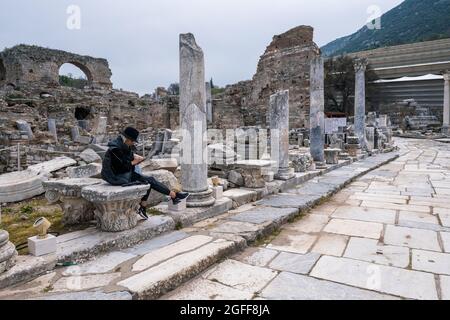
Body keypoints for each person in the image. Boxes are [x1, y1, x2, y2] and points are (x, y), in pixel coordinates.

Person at [101, 127, 189, 220]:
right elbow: (121, 168)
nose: (134, 143)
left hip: (123, 174)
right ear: (127, 139)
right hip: (114, 177)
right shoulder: (115, 148)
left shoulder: (124, 145)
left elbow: (125, 160)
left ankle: (145, 206)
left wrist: (135, 158)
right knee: (148, 181)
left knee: (150, 180)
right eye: (133, 141)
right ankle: (172, 196)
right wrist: (134, 162)